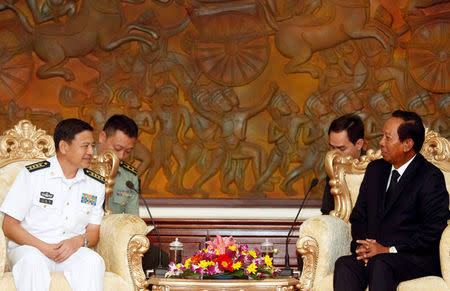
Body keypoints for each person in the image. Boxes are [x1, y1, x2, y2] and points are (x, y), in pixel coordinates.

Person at [334, 110, 449, 291]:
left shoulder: (430, 177)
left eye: (388, 138)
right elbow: (358, 217)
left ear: (407, 144)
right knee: (344, 264)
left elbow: (432, 231)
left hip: (412, 258)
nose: (381, 143)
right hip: (375, 256)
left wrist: (388, 250)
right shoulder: (375, 170)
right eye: (382, 136)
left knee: (381, 263)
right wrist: (364, 247)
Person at [0, 118, 105, 291]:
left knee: (93, 261)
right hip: (30, 248)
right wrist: (44, 248)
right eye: (85, 146)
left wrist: (79, 241)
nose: (91, 152)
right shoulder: (33, 175)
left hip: (71, 251)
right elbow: (9, 226)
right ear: (64, 147)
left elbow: (93, 231)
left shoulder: (95, 183)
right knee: (32, 262)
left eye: (92, 146)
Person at [321, 114, 365, 214]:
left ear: (359, 144)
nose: (335, 154)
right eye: (332, 148)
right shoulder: (333, 169)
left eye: (341, 149)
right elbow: (327, 211)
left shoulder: (375, 169)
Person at [97, 114, 140, 215]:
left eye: (128, 151)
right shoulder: (81, 165)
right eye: (117, 149)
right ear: (102, 137)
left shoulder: (129, 178)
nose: (121, 156)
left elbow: (132, 220)